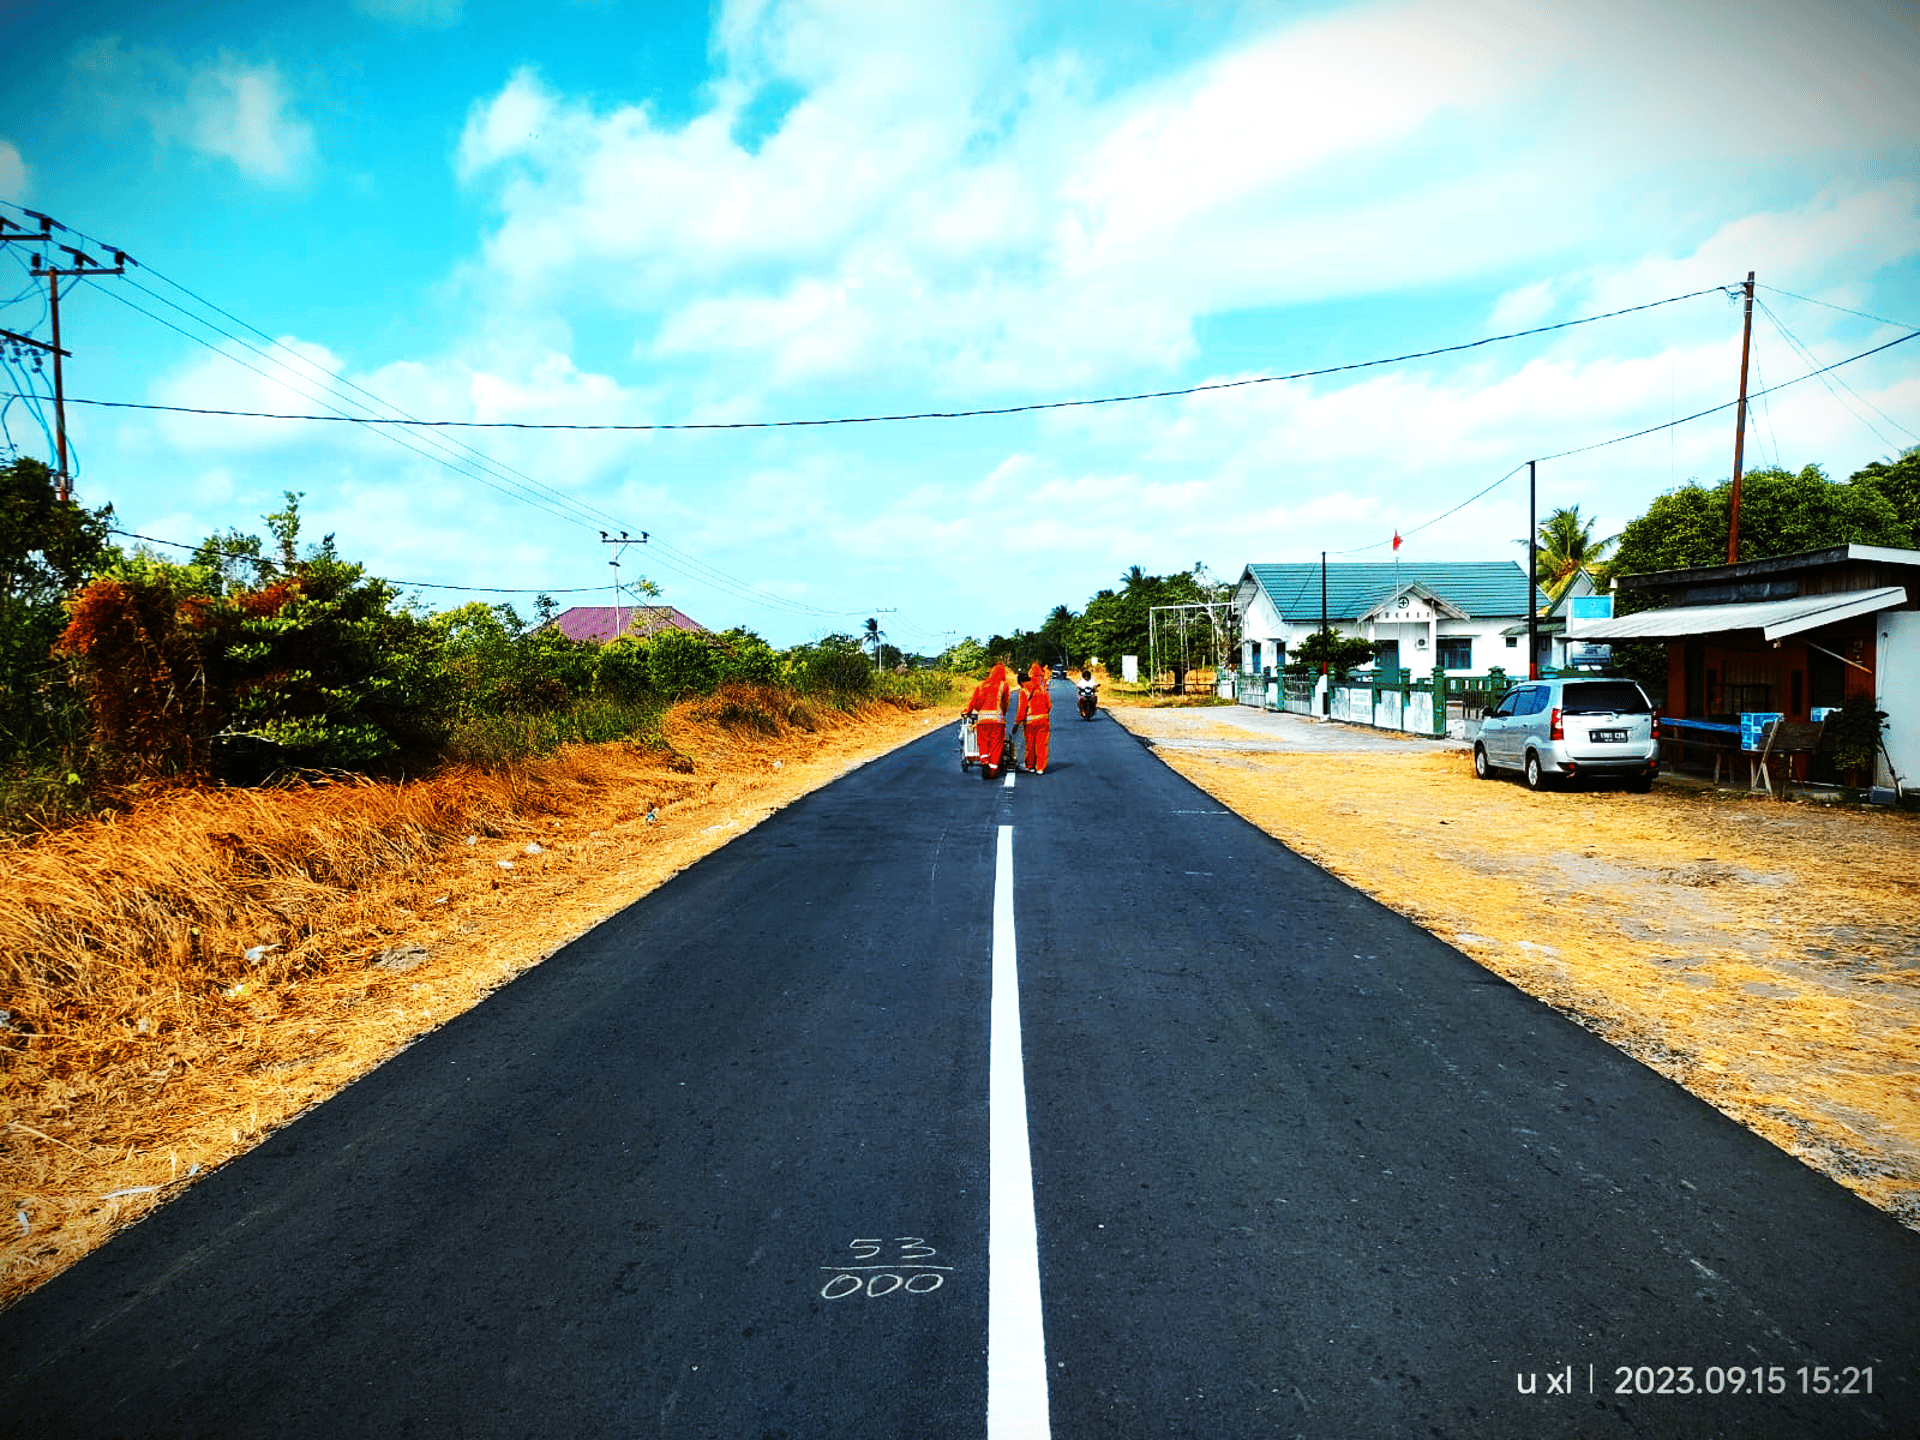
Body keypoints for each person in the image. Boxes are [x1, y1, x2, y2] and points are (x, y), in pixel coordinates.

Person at [965, 662, 1018, 779]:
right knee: (996, 745)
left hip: (982, 720)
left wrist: (968, 711)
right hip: (997, 721)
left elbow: (974, 702)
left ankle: (984, 762)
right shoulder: (1004, 686)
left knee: (982, 743)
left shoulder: (982, 685)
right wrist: (1002, 713)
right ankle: (993, 770)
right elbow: (1005, 704)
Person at [1017, 663, 1053, 773]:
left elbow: (1022, 710)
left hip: (1030, 722)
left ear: (1021, 682)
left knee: (1030, 745)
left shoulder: (1024, 691)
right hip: (1043, 720)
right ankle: (1041, 768)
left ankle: (1030, 766)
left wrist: (1017, 722)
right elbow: (1049, 705)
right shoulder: (1041, 688)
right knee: (1042, 744)